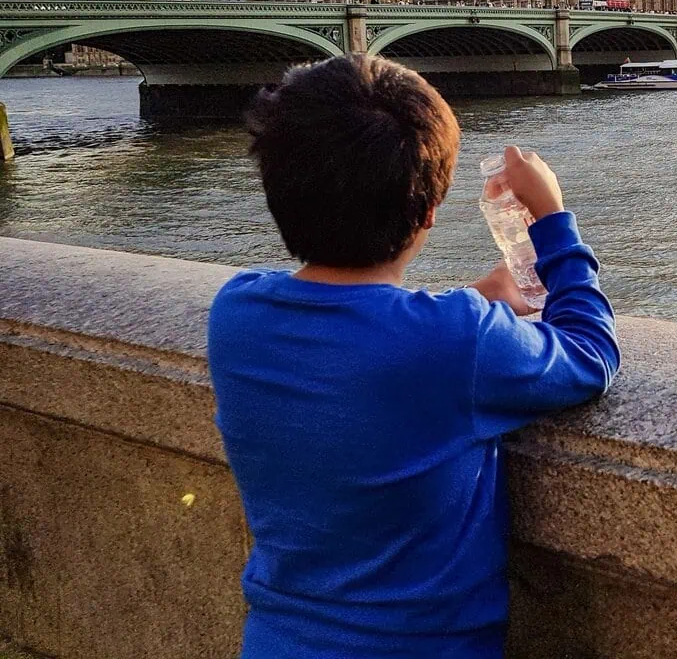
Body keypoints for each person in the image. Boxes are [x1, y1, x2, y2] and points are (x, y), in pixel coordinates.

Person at [207, 54, 619, 659]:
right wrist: (554, 222)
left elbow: (358, 341)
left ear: (276, 191)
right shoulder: (461, 339)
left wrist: (477, 298)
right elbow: (590, 356)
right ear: (429, 211)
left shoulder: (234, 315)